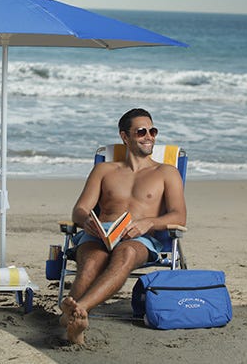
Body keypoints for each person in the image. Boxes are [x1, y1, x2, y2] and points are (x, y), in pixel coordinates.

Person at [60, 108, 187, 344]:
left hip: (140, 238)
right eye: (141, 132)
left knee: (126, 253)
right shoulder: (104, 170)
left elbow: (179, 216)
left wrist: (148, 223)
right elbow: (79, 209)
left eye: (152, 130)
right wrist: (87, 220)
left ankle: (76, 310)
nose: (149, 136)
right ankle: (75, 321)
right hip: (100, 233)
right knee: (91, 261)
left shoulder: (166, 172)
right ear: (125, 137)